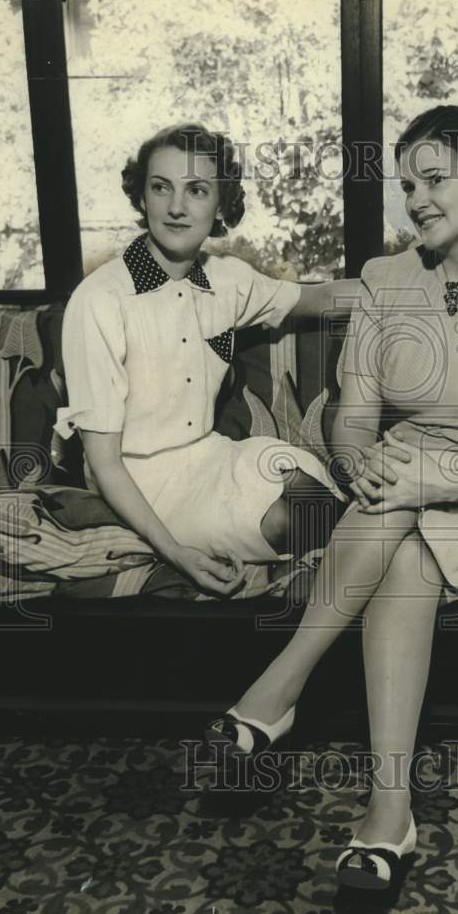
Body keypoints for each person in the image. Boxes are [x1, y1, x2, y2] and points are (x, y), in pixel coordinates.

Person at [205, 105, 458, 891]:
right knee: (401, 544)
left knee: (400, 515)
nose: (416, 200)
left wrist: (422, 479)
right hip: (395, 489)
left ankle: (275, 692)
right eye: (407, 184)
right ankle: (388, 813)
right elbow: (353, 418)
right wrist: (366, 466)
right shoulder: (384, 281)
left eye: (435, 179)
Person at [54, 124, 359, 597]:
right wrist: (175, 553)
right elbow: (105, 464)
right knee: (287, 522)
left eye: (197, 190)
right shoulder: (99, 300)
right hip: (135, 479)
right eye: (161, 188)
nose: (177, 207)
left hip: (209, 455)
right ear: (142, 198)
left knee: (312, 494)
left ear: (221, 206)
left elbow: (315, 299)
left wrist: (410, 284)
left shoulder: (227, 281)